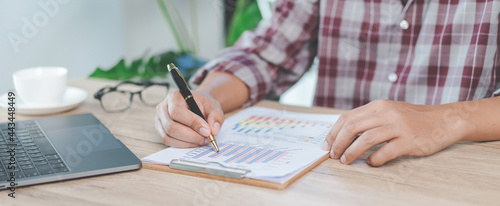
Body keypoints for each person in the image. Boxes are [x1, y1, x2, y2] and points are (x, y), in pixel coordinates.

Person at [155, 0, 500, 166]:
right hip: (334, 173)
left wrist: (446, 119)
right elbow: (265, 55)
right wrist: (206, 97)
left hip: (456, 177)